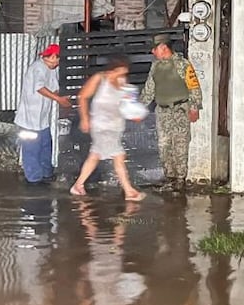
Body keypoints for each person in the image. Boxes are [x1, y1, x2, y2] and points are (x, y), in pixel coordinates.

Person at [69, 55, 146, 202]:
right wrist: (85, 118)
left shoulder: (123, 83)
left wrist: (134, 114)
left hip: (116, 125)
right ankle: (129, 191)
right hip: (101, 125)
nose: (123, 74)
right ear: (113, 69)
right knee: (118, 155)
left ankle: (78, 185)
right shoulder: (99, 79)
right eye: (121, 70)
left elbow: (127, 105)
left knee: (95, 155)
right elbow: (82, 97)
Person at [138, 35, 202, 191]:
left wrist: (194, 107)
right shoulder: (155, 67)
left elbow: (193, 87)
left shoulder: (182, 64)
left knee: (180, 145)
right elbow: (149, 90)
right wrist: (139, 108)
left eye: (155, 48)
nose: (153, 52)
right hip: (162, 111)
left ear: (163, 47)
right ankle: (170, 177)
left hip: (180, 110)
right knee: (164, 146)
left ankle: (180, 179)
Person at [15, 44, 71, 184]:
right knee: (31, 149)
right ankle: (34, 179)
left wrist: (61, 98)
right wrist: (58, 99)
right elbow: (40, 88)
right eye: (57, 59)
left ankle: (46, 173)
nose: (58, 62)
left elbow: (54, 89)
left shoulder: (52, 69)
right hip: (29, 119)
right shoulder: (37, 68)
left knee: (46, 145)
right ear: (52, 57)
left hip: (42, 118)